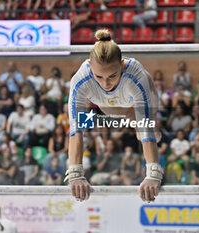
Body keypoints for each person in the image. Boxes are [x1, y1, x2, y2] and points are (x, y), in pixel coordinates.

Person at [66, 29, 162, 202]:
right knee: (83, 120)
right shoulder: (80, 80)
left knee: (147, 131)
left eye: (112, 75)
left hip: (137, 93)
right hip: (109, 106)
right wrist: (75, 174)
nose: (106, 83)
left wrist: (153, 173)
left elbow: (146, 127)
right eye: (99, 76)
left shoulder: (135, 76)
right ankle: (130, 118)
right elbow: (76, 131)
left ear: (122, 65)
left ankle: (138, 122)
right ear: (89, 65)